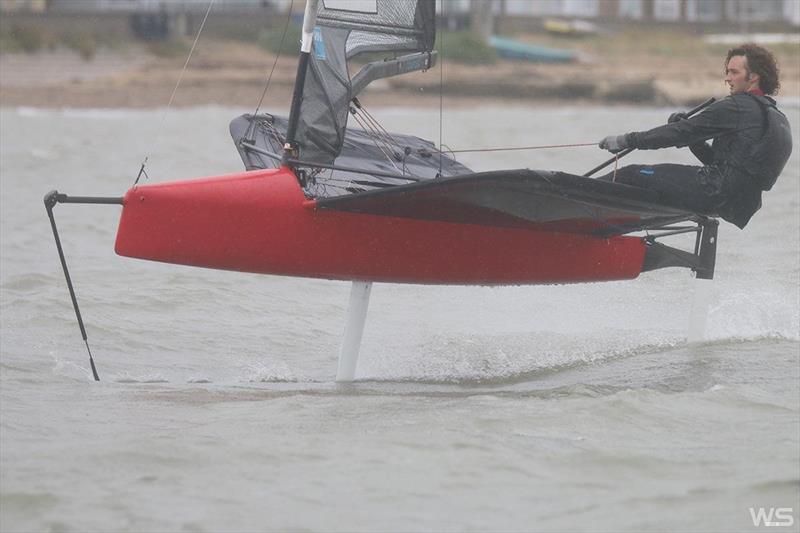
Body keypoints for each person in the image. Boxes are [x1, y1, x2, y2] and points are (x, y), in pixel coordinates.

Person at [598, 43, 792, 229]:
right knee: (652, 182)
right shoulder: (773, 115)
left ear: (754, 77)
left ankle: (577, 196)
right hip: (739, 204)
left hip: (714, 190)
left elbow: (679, 133)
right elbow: (720, 162)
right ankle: (612, 223)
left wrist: (625, 140)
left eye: (734, 72)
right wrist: (693, 138)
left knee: (632, 174)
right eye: (728, 72)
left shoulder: (737, 106)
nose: (728, 78)